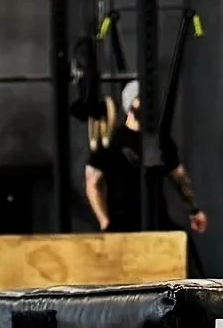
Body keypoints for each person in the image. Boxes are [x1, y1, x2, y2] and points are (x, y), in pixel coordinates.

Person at [84, 79, 208, 236]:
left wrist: (194, 210)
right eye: (140, 99)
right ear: (129, 106)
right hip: (123, 226)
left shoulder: (161, 140)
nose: (146, 105)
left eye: (149, 100)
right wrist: (105, 223)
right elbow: (92, 184)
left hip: (156, 223)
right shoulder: (112, 141)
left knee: (180, 241)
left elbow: (179, 177)